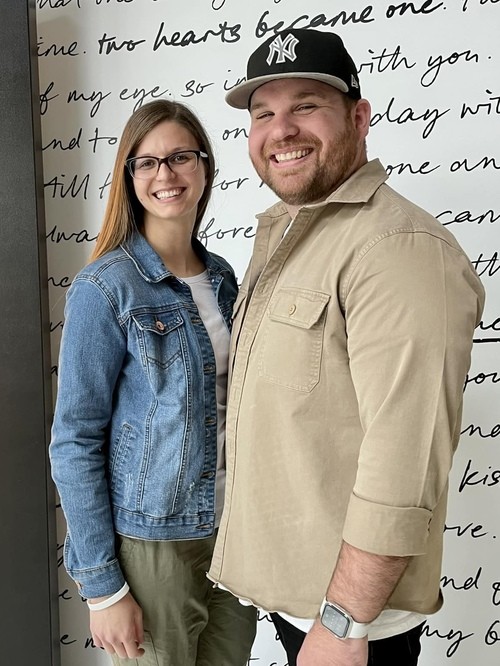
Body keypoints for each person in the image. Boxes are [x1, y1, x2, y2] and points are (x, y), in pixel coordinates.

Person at [207, 28, 485, 666]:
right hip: (299, 602)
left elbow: (404, 462)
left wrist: (343, 622)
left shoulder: (397, 248)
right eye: (263, 114)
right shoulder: (295, 234)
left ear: (359, 118)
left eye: (305, 106)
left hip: (349, 622)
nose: (281, 130)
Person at [49, 99, 256, 665]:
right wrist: (102, 587)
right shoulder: (105, 288)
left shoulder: (224, 278)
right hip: (154, 542)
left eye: (181, 157)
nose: (166, 174)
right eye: (147, 162)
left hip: (234, 534)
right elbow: (75, 440)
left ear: (205, 166)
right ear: (130, 177)